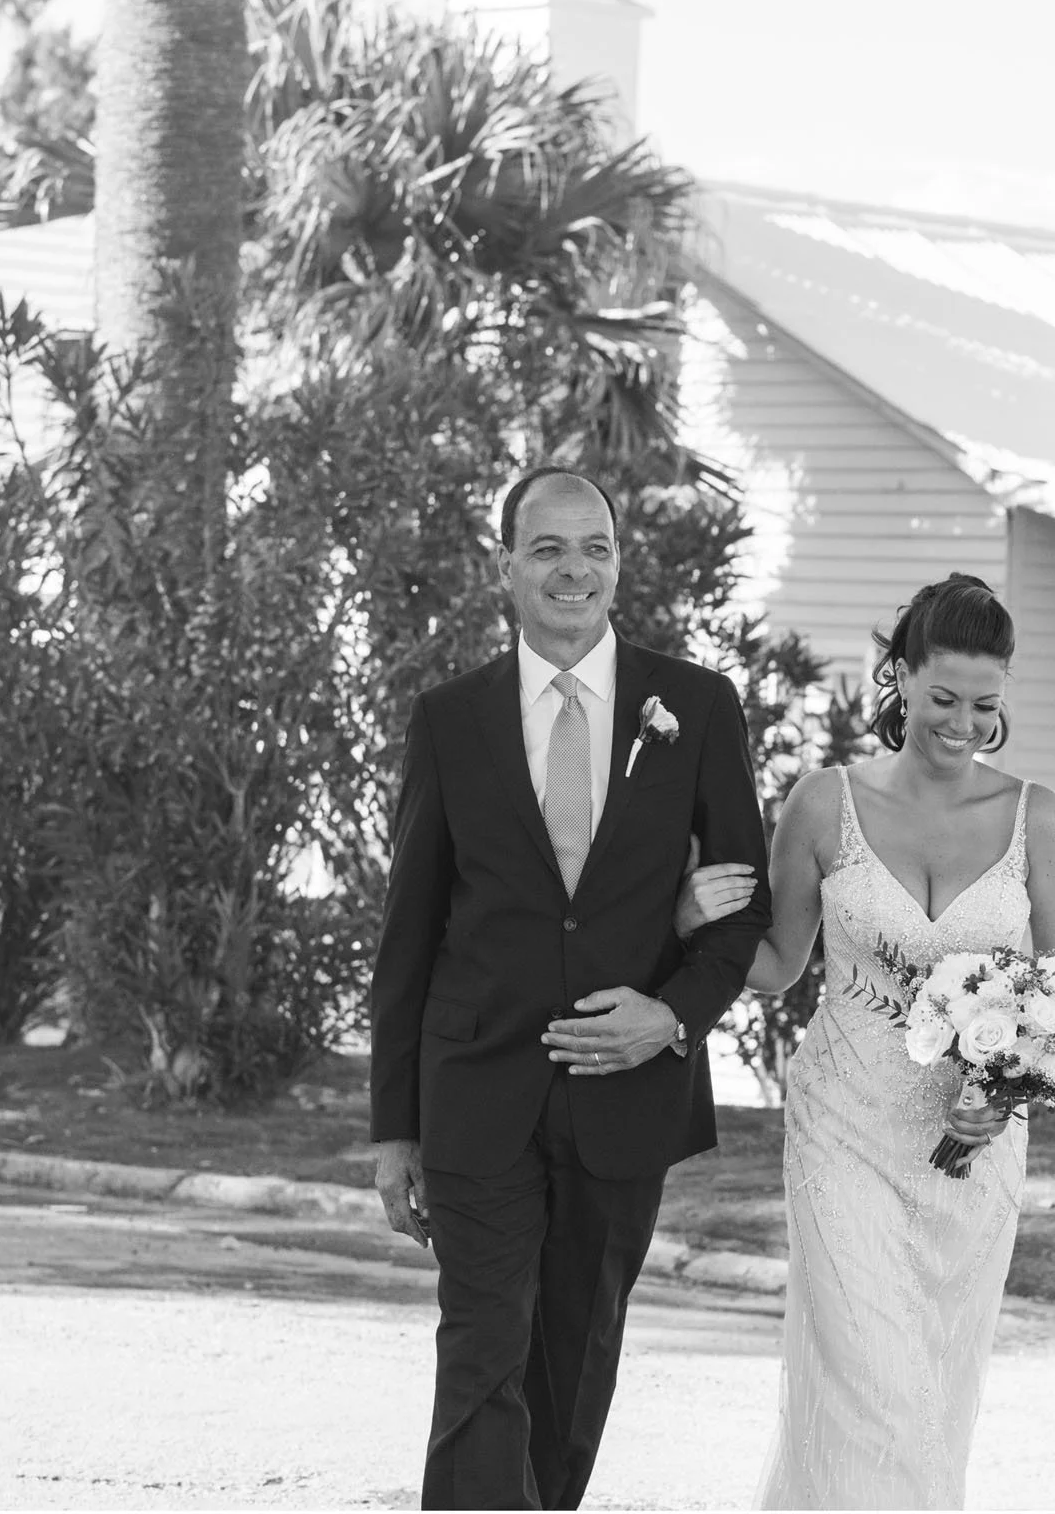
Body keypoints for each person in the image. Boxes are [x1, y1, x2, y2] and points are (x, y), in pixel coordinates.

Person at [367, 467, 772, 1510]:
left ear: (618, 564)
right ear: (506, 566)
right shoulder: (449, 719)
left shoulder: (694, 707)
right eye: (547, 548)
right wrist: (393, 1129)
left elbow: (743, 914)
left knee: (572, 1369)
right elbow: (408, 933)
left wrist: (669, 1018)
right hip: (475, 1087)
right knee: (481, 1353)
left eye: (595, 547)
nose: (573, 570)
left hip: (625, 1096)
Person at [677, 574, 1055, 1510]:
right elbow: (777, 964)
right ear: (899, 676)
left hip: (973, 1150)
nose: (963, 724)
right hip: (844, 1126)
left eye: (984, 704)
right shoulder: (824, 805)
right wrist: (685, 924)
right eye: (943, 698)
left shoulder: (1039, 820)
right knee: (870, 1376)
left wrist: (1006, 1094)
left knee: (938, 1386)